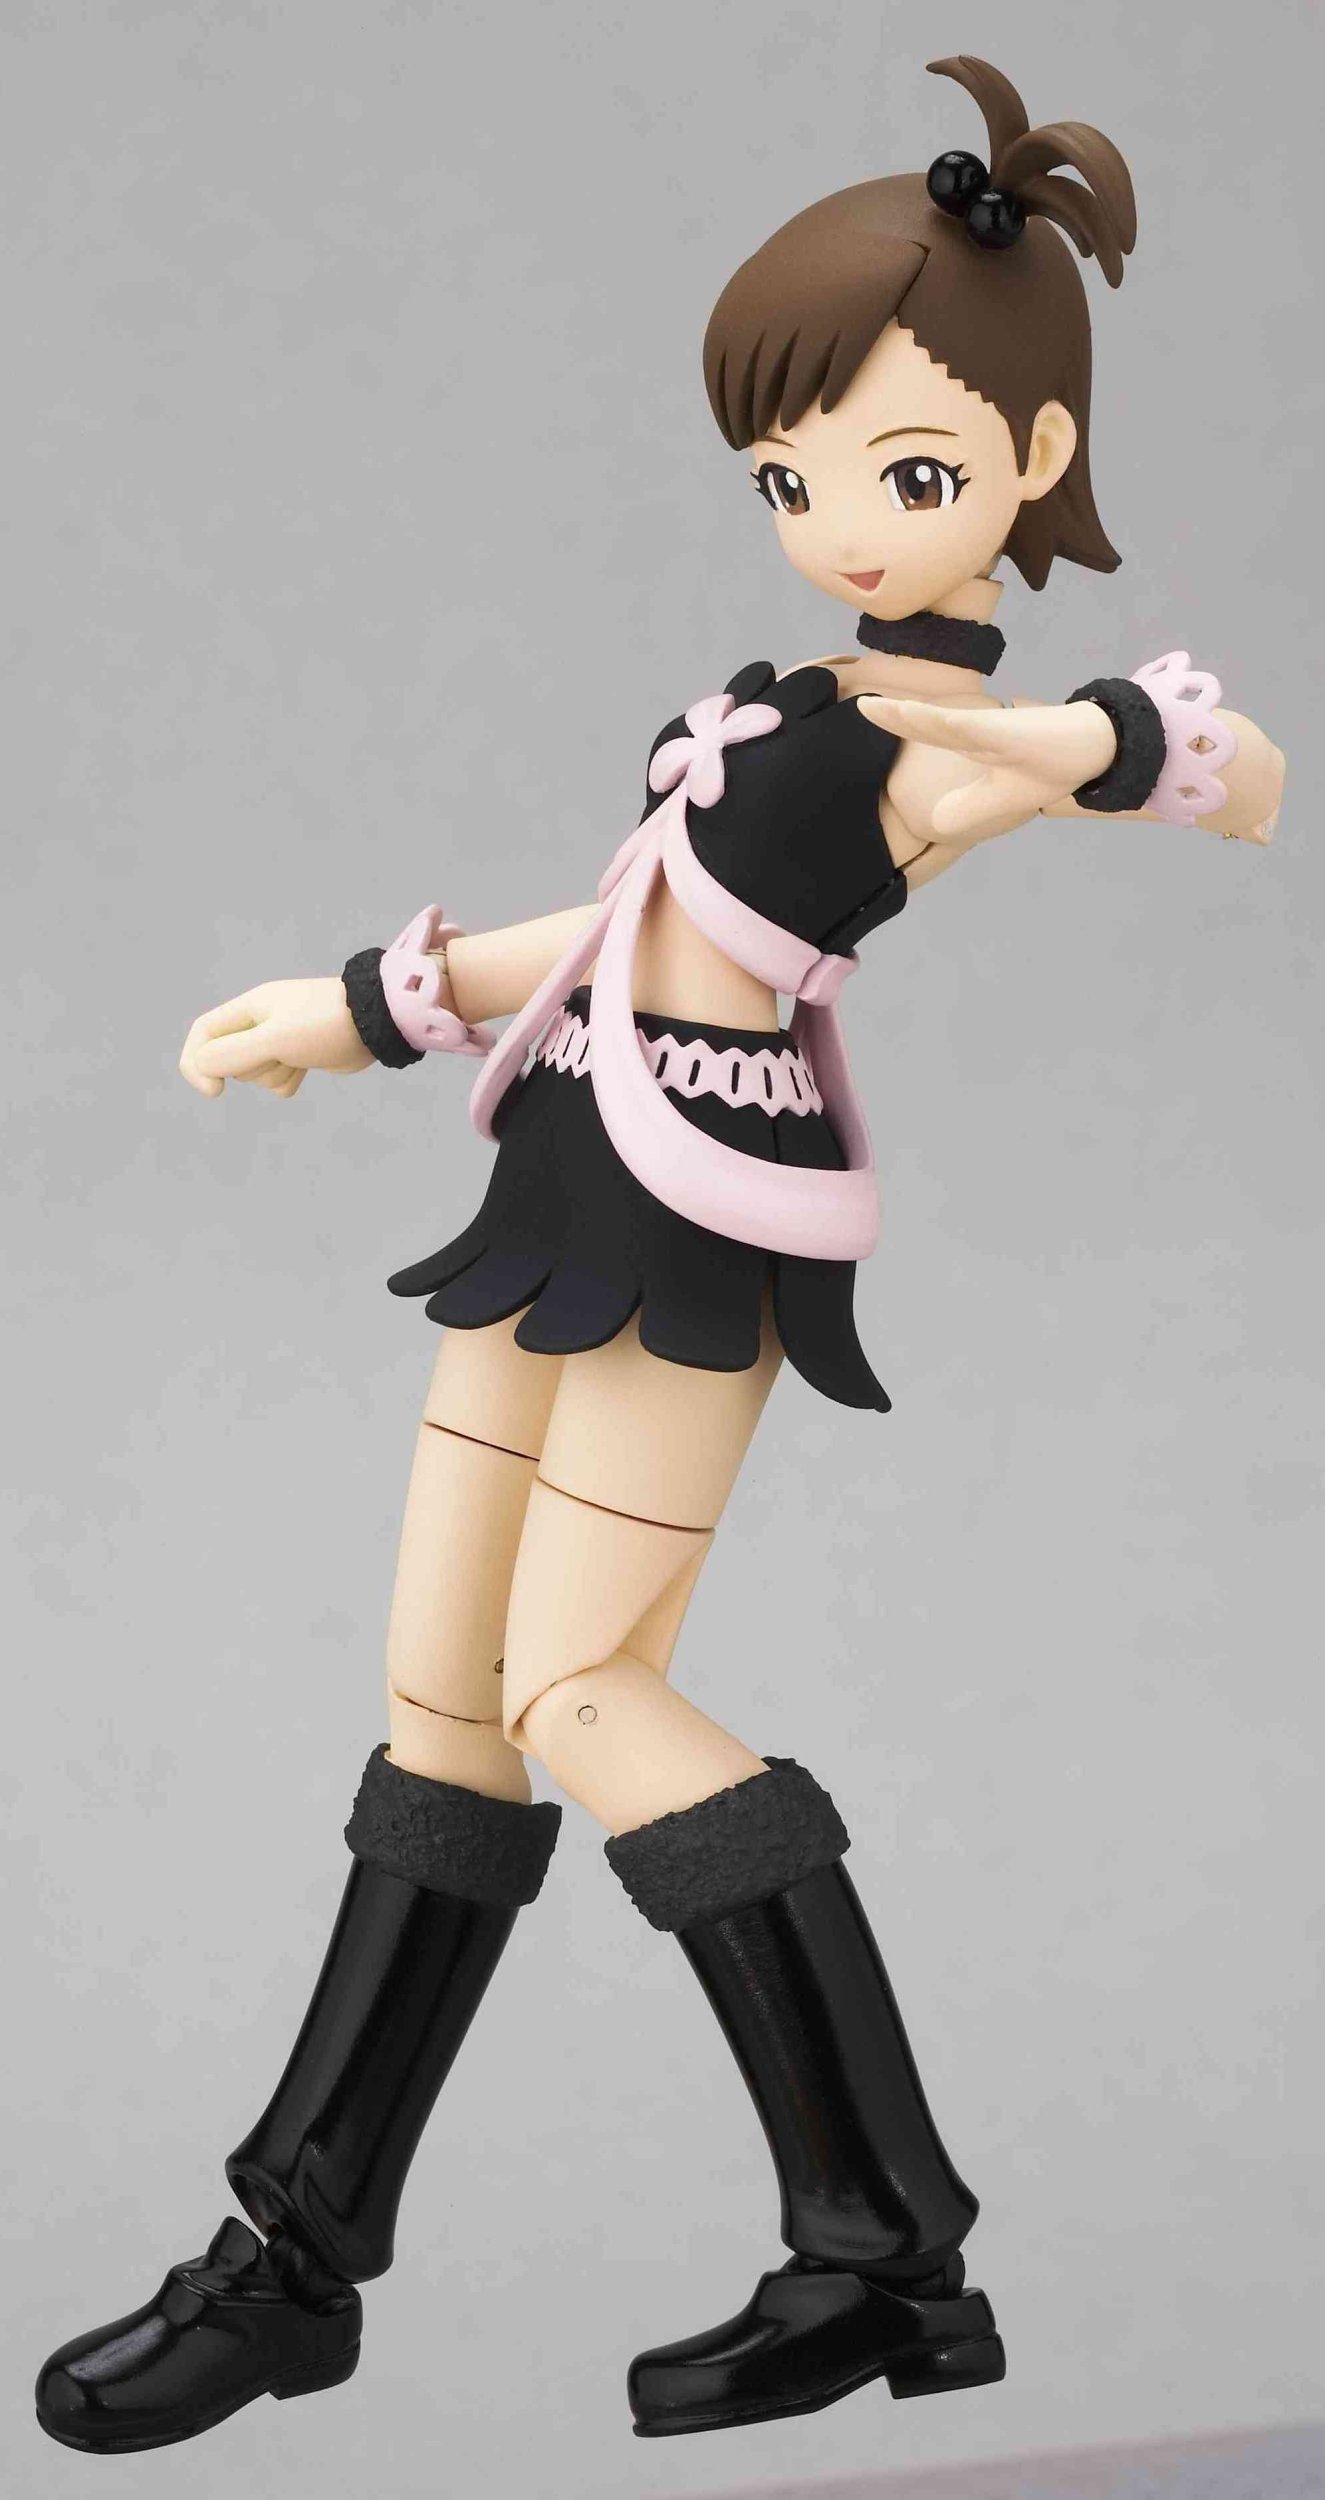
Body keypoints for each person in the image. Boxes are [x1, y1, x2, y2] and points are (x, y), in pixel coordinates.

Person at [36, 53, 1283, 2455]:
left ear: (1028, 457)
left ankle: (887, 2240)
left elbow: (1217, 775)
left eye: (902, 472)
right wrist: (361, 1001)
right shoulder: (786, 693)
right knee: (444, 1698)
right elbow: (624, 923)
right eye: (792, 476)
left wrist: (1092, 741)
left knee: (585, 1685)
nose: (837, 523)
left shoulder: (940, 738)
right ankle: (297, 2252)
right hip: (557, 1177)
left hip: (704, 1219)